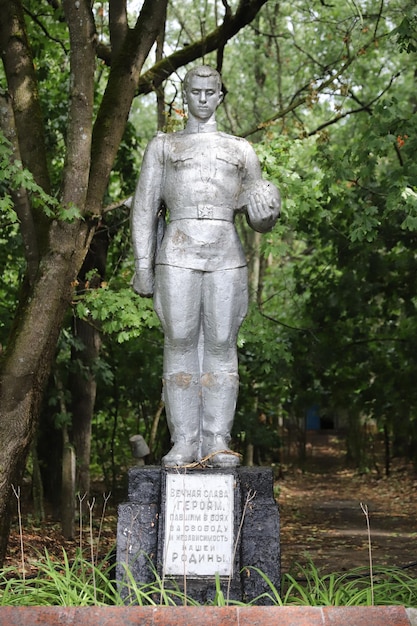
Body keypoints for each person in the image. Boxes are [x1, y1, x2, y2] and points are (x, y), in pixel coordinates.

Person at [131, 65, 280, 467]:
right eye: (194, 91)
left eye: (208, 92)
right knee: (178, 341)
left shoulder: (240, 150)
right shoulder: (163, 146)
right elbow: (145, 208)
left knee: (220, 344)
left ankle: (216, 440)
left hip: (224, 252)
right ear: (185, 95)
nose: (201, 98)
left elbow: (260, 212)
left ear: (219, 95)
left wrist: (268, 207)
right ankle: (184, 441)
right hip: (176, 250)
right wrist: (143, 265)